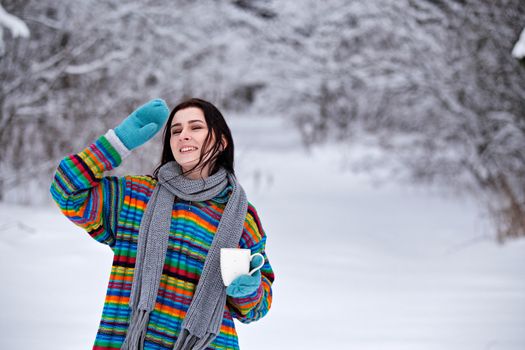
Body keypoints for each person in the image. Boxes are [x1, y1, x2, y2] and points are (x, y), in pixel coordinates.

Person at [50, 98, 275, 350]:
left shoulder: (241, 217)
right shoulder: (136, 197)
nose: (183, 136)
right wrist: (118, 142)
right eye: (176, 130)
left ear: (221, 142)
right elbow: (67, 192)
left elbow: (256, 308)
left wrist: (248, 292)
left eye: (195, 127)